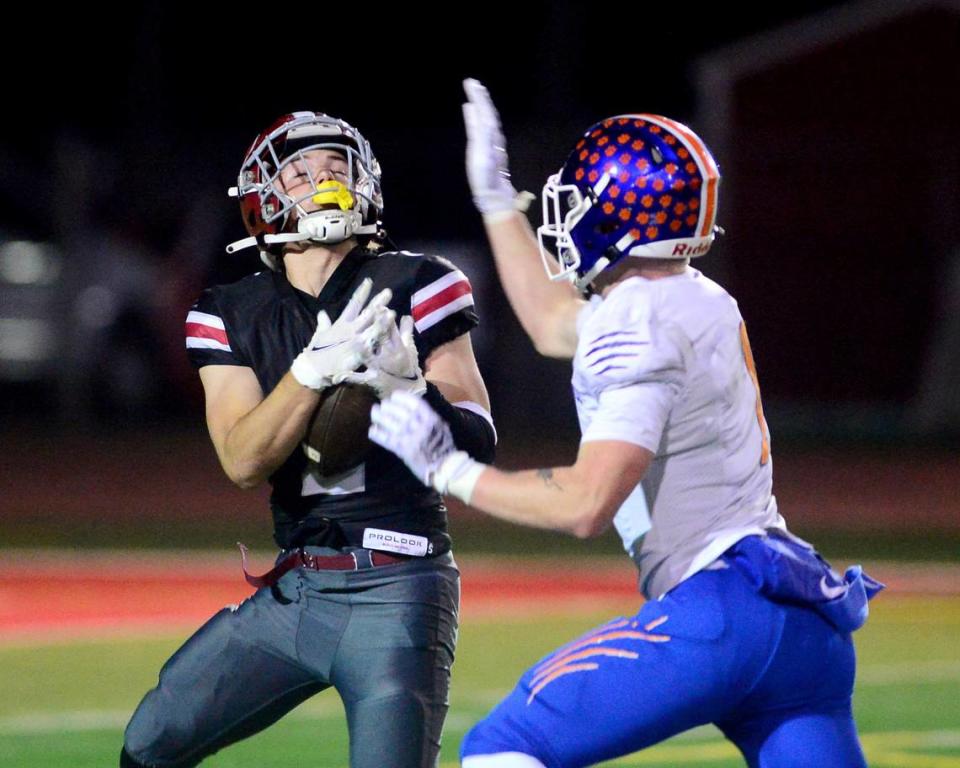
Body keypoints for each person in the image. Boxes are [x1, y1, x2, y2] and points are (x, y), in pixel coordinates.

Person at [368, 79, 883, 768]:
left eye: (579, 202)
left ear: (618, 213)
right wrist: (496, 203)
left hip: (721, 609)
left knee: (503, 747)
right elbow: (553, 324)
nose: (567, 217)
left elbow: (585, 504)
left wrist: (448, 468)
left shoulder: (636, 317)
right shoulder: (694, 297)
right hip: (800, 621)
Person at [121, 111, 496, 768]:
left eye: (337, 166)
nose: (324, 178)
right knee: (152, 738)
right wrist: (309, 373)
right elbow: (241, 460)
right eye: (301, 168)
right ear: (263, 194)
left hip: (398, 586)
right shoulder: (228, 309)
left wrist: (411, 395)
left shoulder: (418, 283)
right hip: (296, 596)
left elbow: (478, 439)